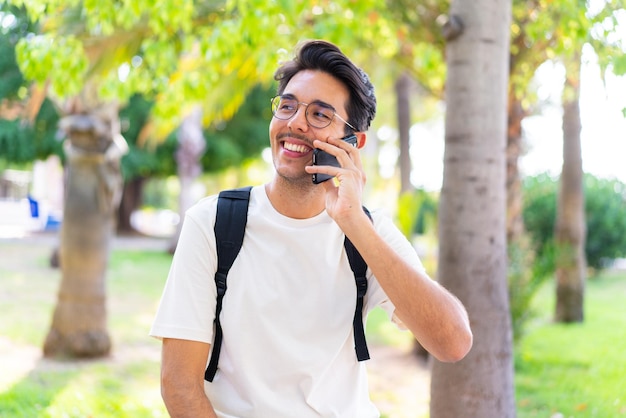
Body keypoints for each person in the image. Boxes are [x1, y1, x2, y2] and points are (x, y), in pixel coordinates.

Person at [150, 39, 472, 418]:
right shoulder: (213, 223)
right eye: (287, 105)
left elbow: (452, 343)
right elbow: (179, 386)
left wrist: (354, 224)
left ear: (353, 142)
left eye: (320, 115)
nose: (295, 122)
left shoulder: (369, 230)